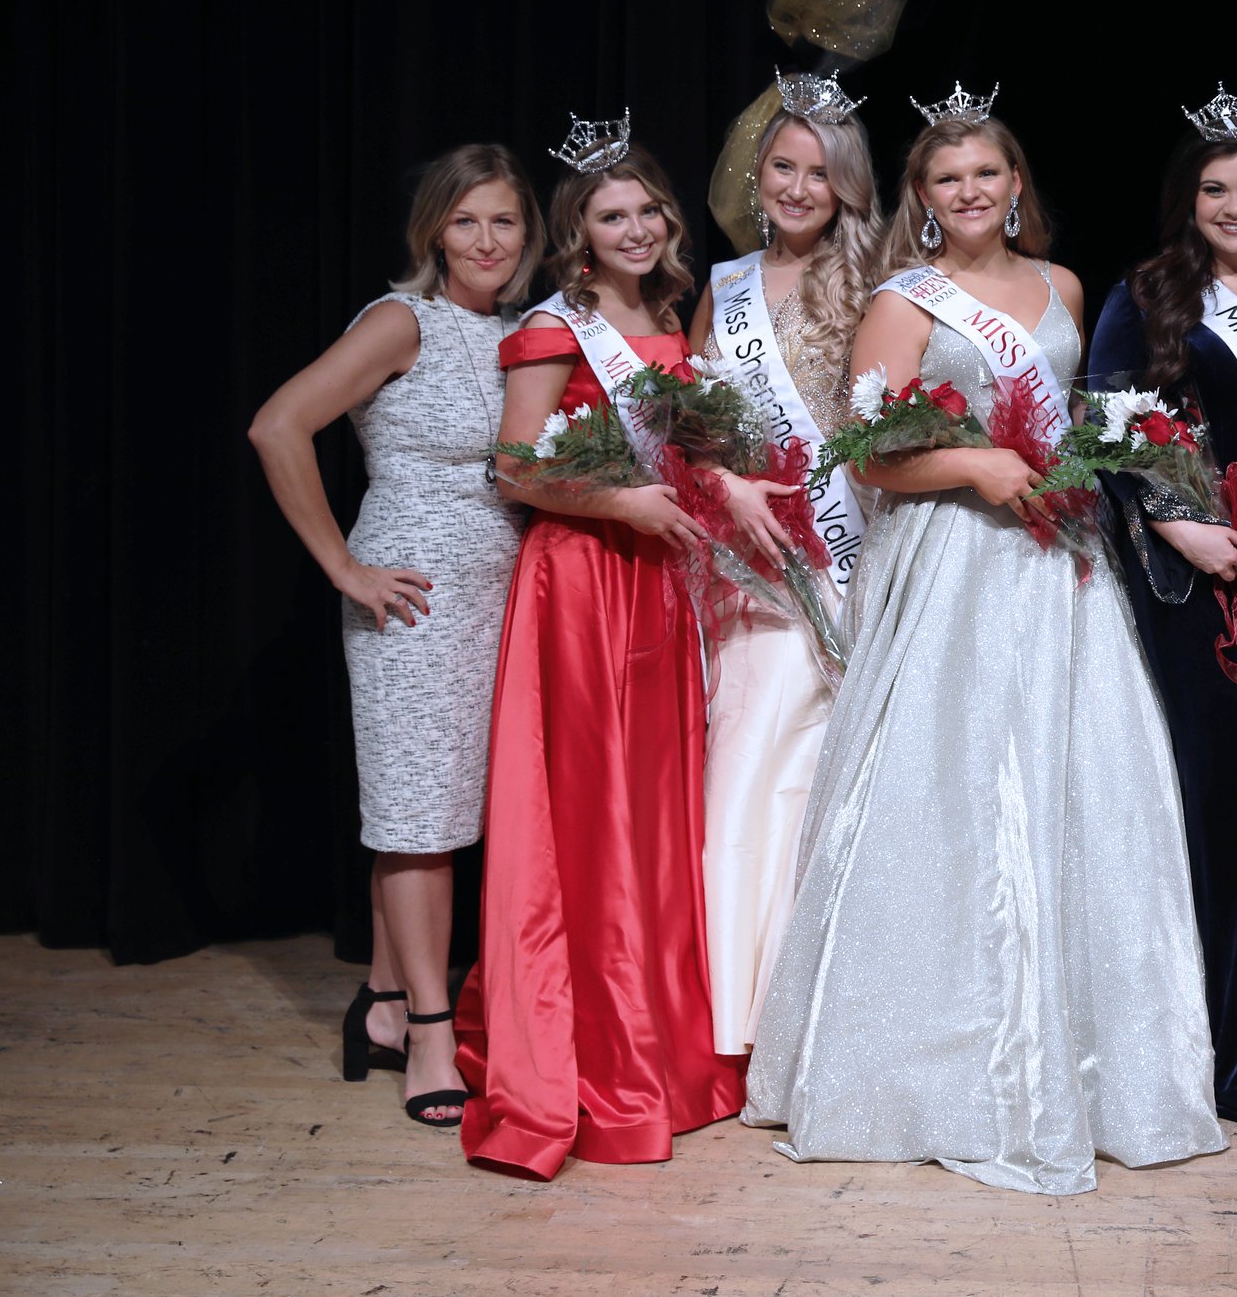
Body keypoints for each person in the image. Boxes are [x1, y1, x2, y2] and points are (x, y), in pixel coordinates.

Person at [742, 85, 1224, 1196]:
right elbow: (869, 456)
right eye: (945, 177)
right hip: (954, 562)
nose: (967, 191)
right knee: (951, 794)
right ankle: (934, 1064)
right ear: (922, 195)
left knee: (1079, 788)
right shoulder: (902, 299)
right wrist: (976, 464)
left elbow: (1079, 414)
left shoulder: (1060, 286)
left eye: (986, 174)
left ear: (1015, 187)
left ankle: (1098, 1068)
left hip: (1056, 565)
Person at [454, 116, 746, 1178]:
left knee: (658, 815)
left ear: (668, 221)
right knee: (590, 814)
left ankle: (662, 1050)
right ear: (578, 234)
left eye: (646, 210)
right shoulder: (553, 327)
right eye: (607, 214)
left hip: (657, 585)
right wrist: (623, 501)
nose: (632, 227)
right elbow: (518, 468)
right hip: (582, 578)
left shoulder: (668, 313)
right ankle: (594, 1052)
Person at [248, 144, 541, 1128]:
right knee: (418, 817)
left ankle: (378, 1001)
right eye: (467, 221)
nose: (487, 239)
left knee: (442, 807)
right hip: (410, 597)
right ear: (433, 232)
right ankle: (425, 1025)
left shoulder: (521, 329)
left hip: (498, 595)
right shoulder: (399, 319)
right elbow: (279, 424)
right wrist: (343, 565)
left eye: (504, 220)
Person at [1085, 87, 1237, 1127]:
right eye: (1214, 187)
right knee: (1226, 808)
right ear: (1188, 200)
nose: (1234, 205)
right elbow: (1106, 427)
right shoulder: (1144, 297)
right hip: (1203, 587)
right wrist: (1181, 526)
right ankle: (1229, 1055)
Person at [682, 69, 884, 1056]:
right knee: (751, 763)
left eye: (821, 172)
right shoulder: (719, 290)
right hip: (752, 563)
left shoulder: (876, 280)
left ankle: (828, 1008)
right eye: (784, 165)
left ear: (847, 184)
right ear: (755, 171)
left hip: (854, 552)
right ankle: (739, 1008)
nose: (800, 188)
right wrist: (727, 488)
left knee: (838, 775)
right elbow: (688, 428)